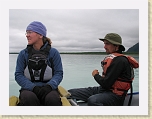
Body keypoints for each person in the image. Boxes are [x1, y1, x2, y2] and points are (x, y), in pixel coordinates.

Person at [68, 33, 139, 106]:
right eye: (104, 44)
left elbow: (106, 84)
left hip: (116, 96)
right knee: (69, 93)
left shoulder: (120, 61)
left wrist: (95, 75)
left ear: (116, 46)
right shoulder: (114, 59)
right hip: (103, 90)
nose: (104, 47)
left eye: (107, 44)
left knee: (93, 100)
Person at [15, 21, 63, 106]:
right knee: (28, 98)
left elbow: (58, 73)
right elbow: (18, 75)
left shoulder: (54, 53)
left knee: (53, 99)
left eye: (30, 32)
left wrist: (49, 86)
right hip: (28, 89)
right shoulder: (23, 54)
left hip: (49, 88)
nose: (27, 35)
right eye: (26, 32)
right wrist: (33, 88)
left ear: (40, 35)